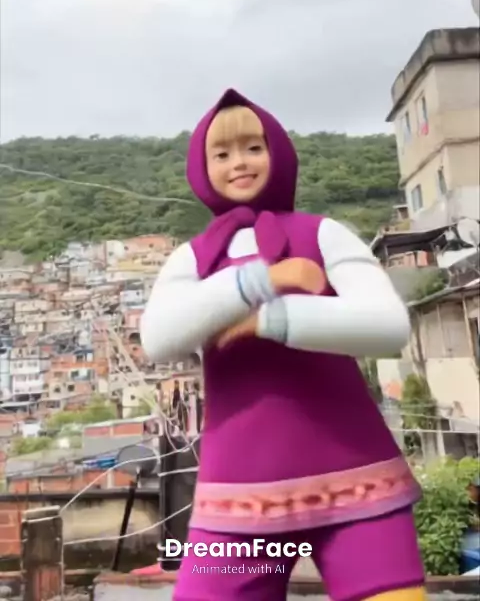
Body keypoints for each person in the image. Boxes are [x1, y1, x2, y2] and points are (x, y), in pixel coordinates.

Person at [141, 89, 425, 601]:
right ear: (202, 168)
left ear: (279, 153)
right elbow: (158, 338)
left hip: (357, 480)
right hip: (237, 496)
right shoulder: (192, 257)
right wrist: (260, 280)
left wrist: (269, 319)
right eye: (222, 154)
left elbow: (388, 325)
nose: (239, 163)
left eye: (254, 147)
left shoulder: (325, 233)